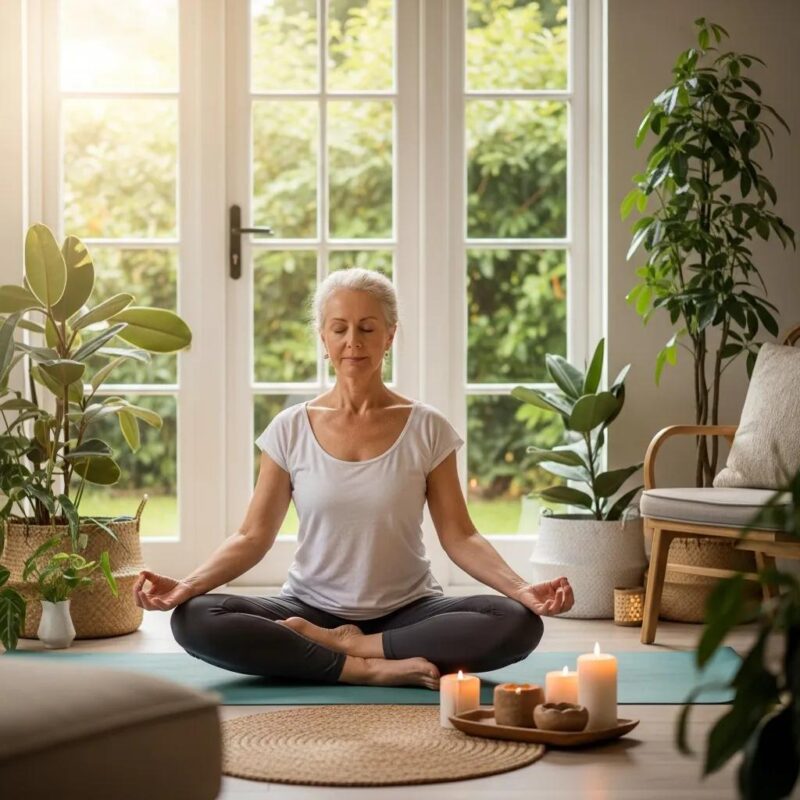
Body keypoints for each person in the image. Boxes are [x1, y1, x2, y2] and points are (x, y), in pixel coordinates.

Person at [133, 268, 575, 689]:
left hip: (409, 611)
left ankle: (353, 648)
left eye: (367, 328)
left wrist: (523, 591)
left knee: (516, 622)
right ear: (323, 338)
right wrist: (186, 586)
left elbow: (461, 536)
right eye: (339, 328)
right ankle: (361, 670)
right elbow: (252, 536)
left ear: (390, 336)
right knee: (195, 618)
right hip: (310, 608)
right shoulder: (290, 428)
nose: (353, 342)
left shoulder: (427, 427)